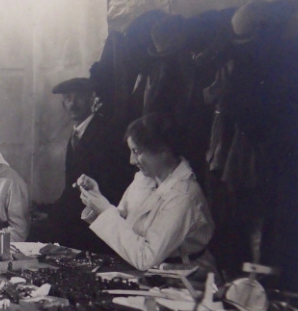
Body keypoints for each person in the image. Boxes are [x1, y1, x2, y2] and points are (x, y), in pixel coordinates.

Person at [79, 112, 215, 271]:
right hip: (154, 273)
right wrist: (96, 200)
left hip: (188, 279)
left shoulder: (183, 195)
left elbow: (145, 258)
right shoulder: (145, 179)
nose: (131, 160)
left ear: (163, 150)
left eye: (136, 152)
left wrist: (105, 210)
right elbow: (123, 222)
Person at [36, 77, 132, 251]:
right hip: (79, 220)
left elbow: (112, 186)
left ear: (91, 99)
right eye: (67, 98)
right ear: (63, 104)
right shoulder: (76, 134)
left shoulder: (105, 132)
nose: (72, 104)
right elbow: (71, 185)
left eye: (78, 97)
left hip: (95, 225)